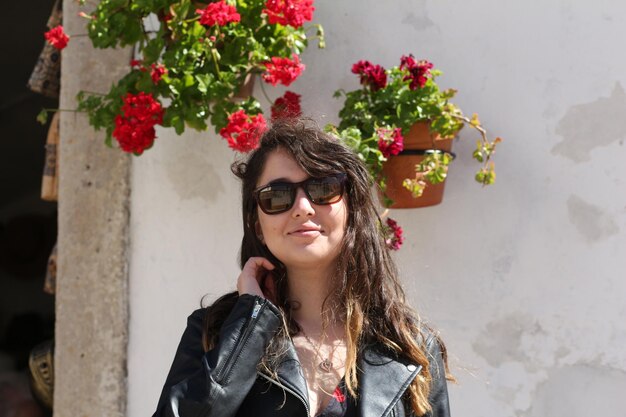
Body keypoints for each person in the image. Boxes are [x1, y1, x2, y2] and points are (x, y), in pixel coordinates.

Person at [153, 119, 452, 417]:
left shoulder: (409, 348)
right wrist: (250, 324)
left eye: (323, 188)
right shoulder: (214, 331)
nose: (303, 207)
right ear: (258, 226)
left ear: (352, 212)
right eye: (277, 196)